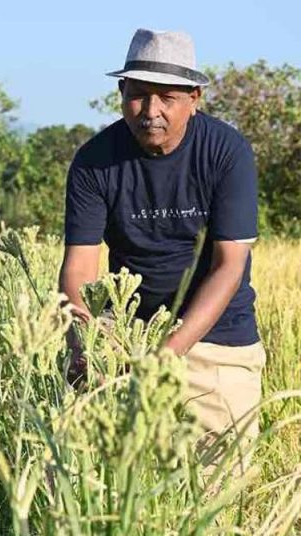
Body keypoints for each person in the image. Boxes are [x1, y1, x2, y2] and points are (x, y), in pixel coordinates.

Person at [59, 29, 264, 450]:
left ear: (195, 97)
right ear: (121, 91)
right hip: (126, 329)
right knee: (83, 464)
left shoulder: (227, 152)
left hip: (216, 334)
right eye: (138, 94)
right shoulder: (94, 161)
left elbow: (229, 267)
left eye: (167, 97)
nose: (150, 111)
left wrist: (168, 355)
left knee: (224, 475)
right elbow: (79, 268)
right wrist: (89, 345)